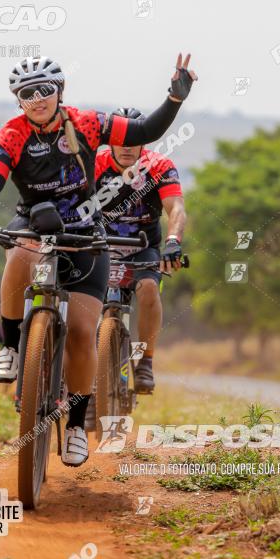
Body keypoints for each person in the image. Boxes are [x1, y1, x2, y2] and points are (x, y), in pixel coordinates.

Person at [0, 54, 197, 466]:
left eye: (45, 90)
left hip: (84, 230)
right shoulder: (9, 136)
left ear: (59, 91)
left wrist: (174, 97)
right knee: (18, 254)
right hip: (35, 220)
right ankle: (11, 349)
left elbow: (145, 130)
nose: (37, 99)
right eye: (27, 94)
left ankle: (78, 424)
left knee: (83, 332)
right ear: (18, 100)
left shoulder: (87, 123)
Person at [94, 107, 187, 393]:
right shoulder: (93, 163)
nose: (126, 145)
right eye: (120, 138)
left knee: (148, 287)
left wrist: (173, 241)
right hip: (99, 245)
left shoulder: (158, 166)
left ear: (144, 140)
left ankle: (145, 360)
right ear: (110, 140)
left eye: (134, 138)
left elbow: (176, 208)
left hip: (142, 248)